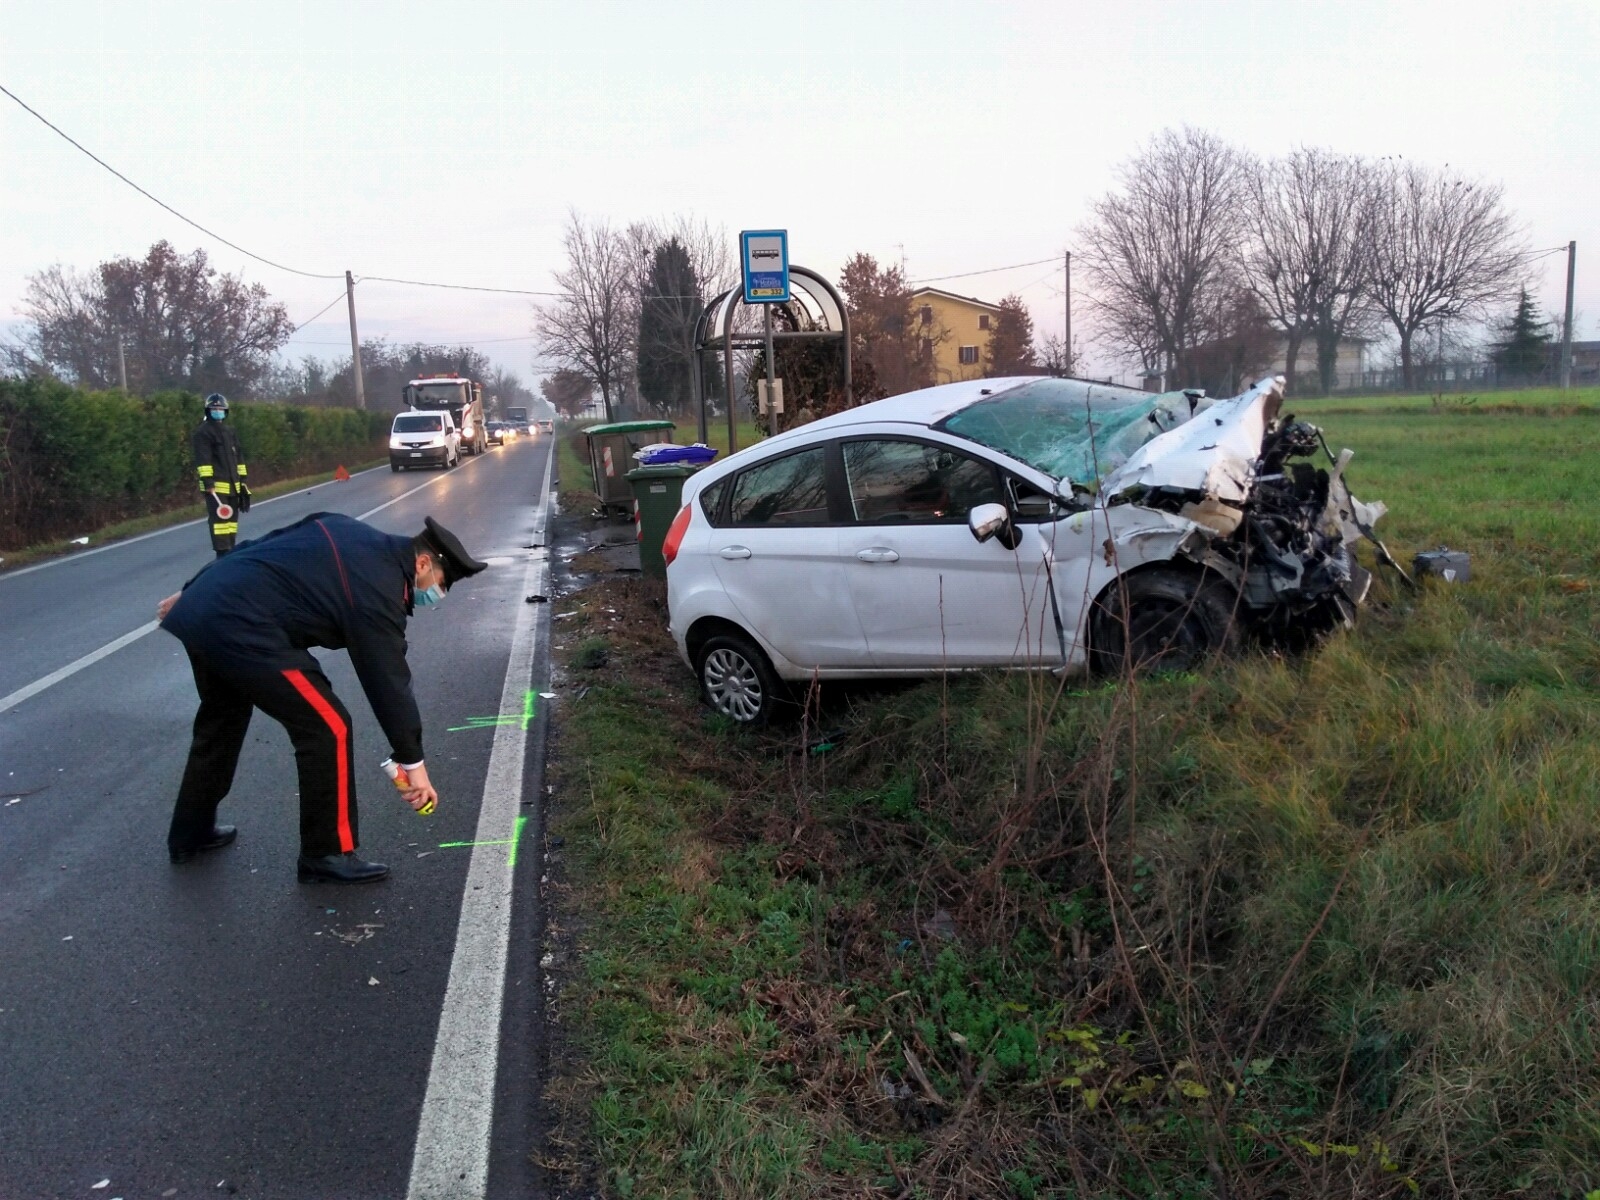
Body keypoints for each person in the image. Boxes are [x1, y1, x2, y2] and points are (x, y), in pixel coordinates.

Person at [156, 512, 488, 883]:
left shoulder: (347, 530)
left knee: (221, 720)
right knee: (328, 726)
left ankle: (191, 832)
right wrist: (414, 764)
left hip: (205, 609)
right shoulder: (379, 588)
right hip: (242, 624)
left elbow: (261, 543)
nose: (435, 595)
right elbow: (389, 682)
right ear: (423, 562)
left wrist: (192, 590)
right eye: (440, 584)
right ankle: (325, 853)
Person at [191, 393, 251, 557]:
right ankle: (222, 553)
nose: (218, 411)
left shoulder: (229, 432)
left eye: (220, 409)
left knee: (232, 523)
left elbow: (238, 458)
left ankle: (230, 549)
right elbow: (203, 460)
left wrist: (243, 482)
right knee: (220, 524)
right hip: (216, 488)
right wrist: (208, 483)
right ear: (208, 411)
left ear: (226, 411)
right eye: (214, 409)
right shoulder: (203, 433)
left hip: (233, 486)